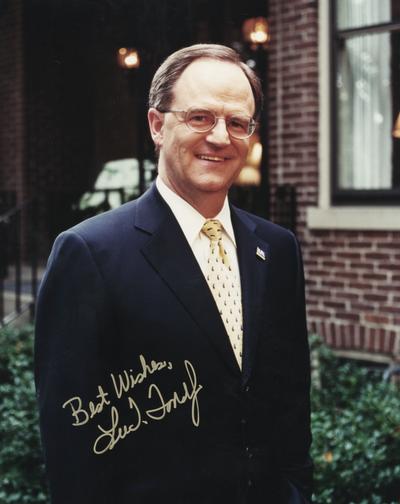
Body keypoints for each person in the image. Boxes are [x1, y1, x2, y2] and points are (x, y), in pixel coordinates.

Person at [35, 43, 313, 503]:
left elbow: (291, 405)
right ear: (157, 125)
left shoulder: (277, 249)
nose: (221, 137)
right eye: (200, 117)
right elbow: (73, 448)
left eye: (237, 123)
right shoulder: (89, 254)